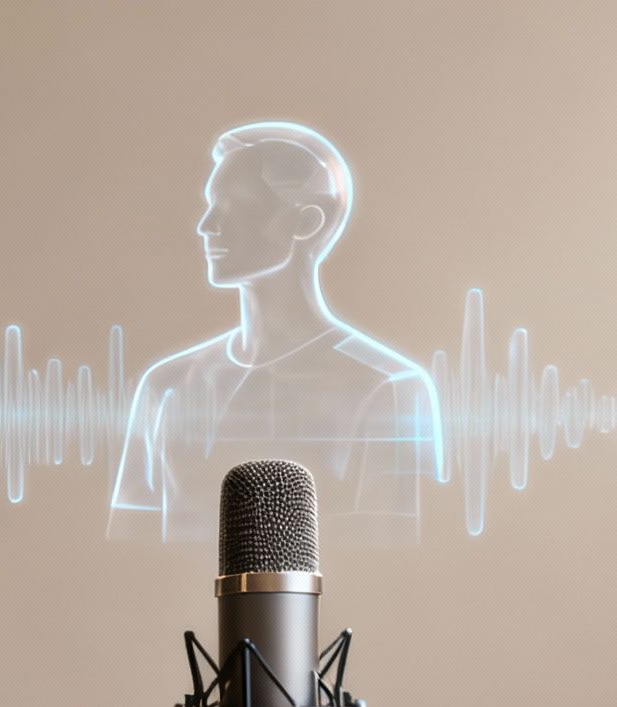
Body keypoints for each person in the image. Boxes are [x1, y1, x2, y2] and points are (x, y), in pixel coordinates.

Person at [108, 122, 443, 549]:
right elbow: (126, 555)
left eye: (237, 205)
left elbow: (398, 567)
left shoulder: (389, 388)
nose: (207, 225)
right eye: (212, 204)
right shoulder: (167, 387)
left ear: (305, 221)